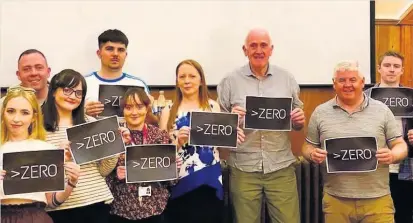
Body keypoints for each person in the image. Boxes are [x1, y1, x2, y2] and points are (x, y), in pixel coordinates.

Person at [217, 28, 304, 223]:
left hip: (280, 166)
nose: (259, 50)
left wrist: (298, 121)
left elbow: (297, 121)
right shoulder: (229, 81)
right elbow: (220, 128)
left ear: (271, 49)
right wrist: (231, 120)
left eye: (263, 45)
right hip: (243, 169)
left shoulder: (287, 79)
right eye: (253, 45)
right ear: (244, 50)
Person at [303, 60, 408, 223]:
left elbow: (400, 145)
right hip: (336, 200)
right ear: (334, 84)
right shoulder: (320, 112)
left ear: (362, 82)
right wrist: (311, 153)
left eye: (352, 80)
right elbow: (308, 146)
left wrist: (393, 155)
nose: (347, 85)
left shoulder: (382, 110)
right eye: (342, 80)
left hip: (377, 200)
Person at [159, 59, 244, 223]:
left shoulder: (213, 107)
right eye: (182, 76)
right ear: (177, 81)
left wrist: (233, 133)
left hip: (210, 180)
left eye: (192, 76)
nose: (187, 80)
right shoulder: (168, 111)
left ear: (201, 80)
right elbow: (162, 155)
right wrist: (177, 143)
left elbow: (220, 145)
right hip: (180, 181)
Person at [42, 69, 117, 223]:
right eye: (68, 90)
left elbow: (103, 170)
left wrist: (114, 146)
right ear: (54, 91)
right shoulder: (38, 128)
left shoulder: (92, 124)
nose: (73, 96)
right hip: (59, 208)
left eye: (78, 93)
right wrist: (60, 158)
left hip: (96, 202)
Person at [0, 86, 79, 223]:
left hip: (36, 217)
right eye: (11, 111)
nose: (16, 119)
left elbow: (52, 202)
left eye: (24, 112)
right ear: (3, 113)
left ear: (34, 117)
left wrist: (72, 182)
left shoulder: (46, 150)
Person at [107, 87, 179, 223]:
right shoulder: (115, 137)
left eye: (139, 107)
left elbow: (172, 181)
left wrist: (173, 167)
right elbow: (103, 176)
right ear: (123, 110)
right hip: (122, 211)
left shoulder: (159, 136)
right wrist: (116, 175)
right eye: (128, 107)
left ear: (147, 108)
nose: (134, 112)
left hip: (155, 210)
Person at [365, 51, 413, 223]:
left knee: (403, 214)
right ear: (379, 68)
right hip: (373, 165)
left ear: (402, 70)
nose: (391, 70)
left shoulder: (411, 96)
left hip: (405, 167)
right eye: (387, 65)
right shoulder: (365, 97)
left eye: (396, 66)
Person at [84, 29, 150, 118]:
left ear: (125, 55)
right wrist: (83, 113)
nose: (115, 54)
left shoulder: (138, 84)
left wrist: (149, 110)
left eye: (120, 50)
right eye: (110, 49)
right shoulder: (84, 83)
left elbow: (149, 122)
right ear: (99, 53)